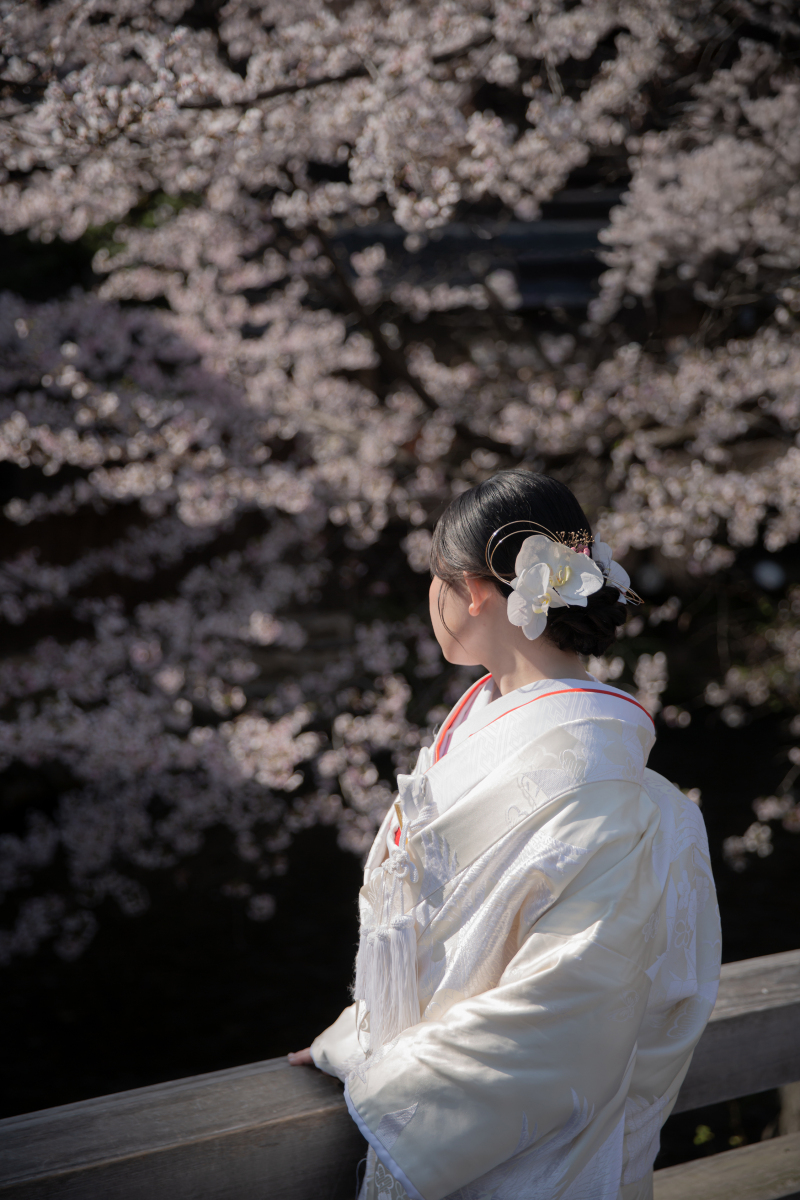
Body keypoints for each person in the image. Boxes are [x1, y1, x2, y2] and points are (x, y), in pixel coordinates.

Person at [289, 470, 721, 1200]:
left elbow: (568, 1005)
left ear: (472, 588)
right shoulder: (495, 739)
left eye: (435, 579)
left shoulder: (612, 794)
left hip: (531, 1162)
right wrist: (357, 1040)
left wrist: (386, 1080)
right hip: (467, 1102)